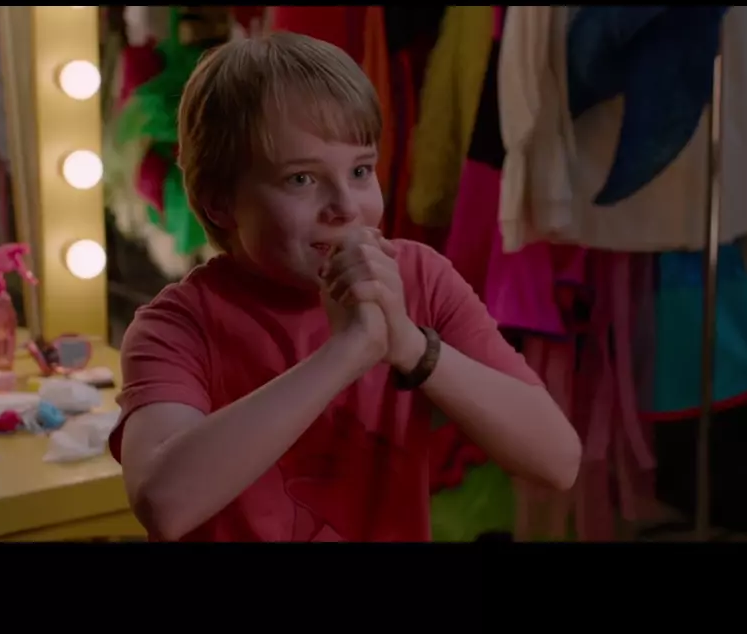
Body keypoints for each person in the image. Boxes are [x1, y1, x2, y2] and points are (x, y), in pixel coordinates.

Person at [111, 31, 582, 542]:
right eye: (301, 179)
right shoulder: (177, 327)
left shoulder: (419, 278)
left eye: (360, 170)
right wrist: (351, 349)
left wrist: (409, 345)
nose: (346, 206)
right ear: (219, 202)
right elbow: (164, 504)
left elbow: (558, 460)